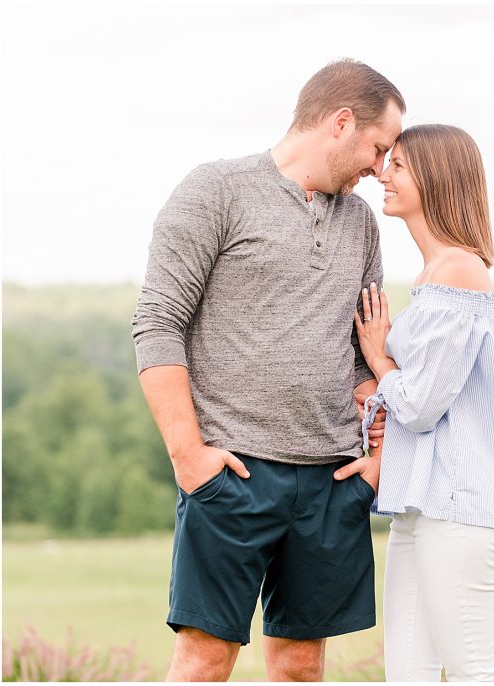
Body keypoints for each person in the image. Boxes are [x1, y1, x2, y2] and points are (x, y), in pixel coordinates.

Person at [130, 59, 403, 681]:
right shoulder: (215, 191)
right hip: (233, 473)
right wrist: (187, 456)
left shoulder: (359, 223)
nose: (380, 169)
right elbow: (157, 321)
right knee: (204, 660)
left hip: (332, 482)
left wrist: (384, 450)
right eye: (378, 147)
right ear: (340, 122)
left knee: (302, 667)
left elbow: (364, 354)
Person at [338, 124, 494, 682]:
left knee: (471, 670)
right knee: (408, 675)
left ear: (435, 176)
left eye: (397, 166)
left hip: (460, 503)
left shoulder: (460, 273)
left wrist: (380, 362)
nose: (382, 173)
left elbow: (422, 405)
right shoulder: (434, 276)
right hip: (420, 502)